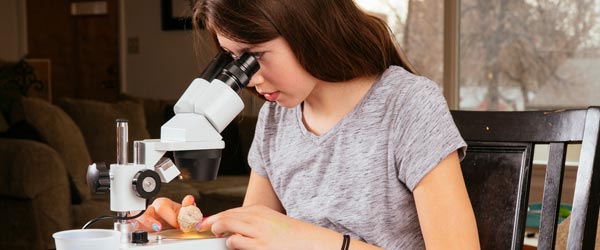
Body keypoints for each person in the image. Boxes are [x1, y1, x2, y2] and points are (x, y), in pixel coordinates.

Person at [133, 0, 480, 249]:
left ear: (306, 29)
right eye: (234, 59)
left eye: (255, 56)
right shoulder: (277, 117)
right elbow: (255, 233)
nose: (250, 79)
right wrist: (186, 233)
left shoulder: (408, 105)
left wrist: (319, 242)